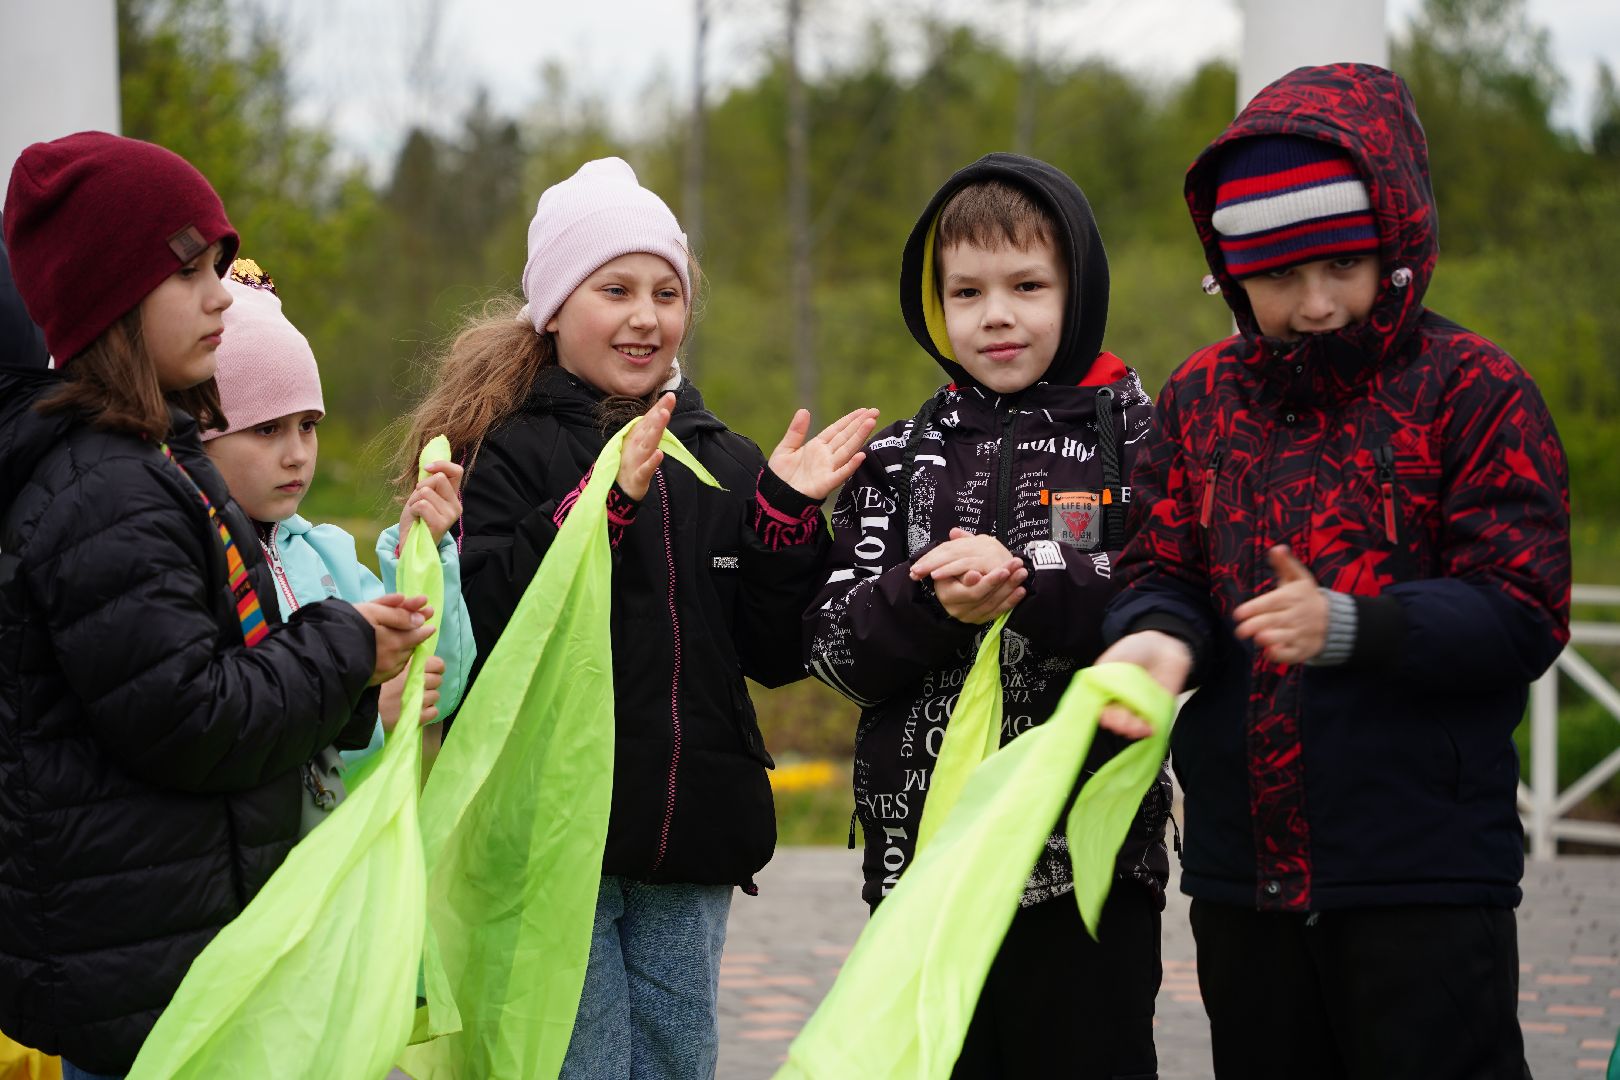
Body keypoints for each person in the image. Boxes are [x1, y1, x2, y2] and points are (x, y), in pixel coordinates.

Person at [1096, 63, 1571, 1079]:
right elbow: (1163, 564)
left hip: (1426, 881)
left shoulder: (1476, 392)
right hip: (1242, 878)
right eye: (1278, 278)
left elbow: (1522, 608)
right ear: (1231, 274)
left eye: (1341, 268)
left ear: (1394, 242)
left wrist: (1353, 625)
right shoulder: (1197, 398)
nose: (1314, 305)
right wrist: (1150, 640)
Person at [395, 156, 875, 1079]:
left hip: (689, 836)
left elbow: (772, 652)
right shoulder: (505, 450)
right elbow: (489, 623)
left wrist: (782, 518)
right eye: (614, 288)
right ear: (554, 309)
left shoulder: (723, 459)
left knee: (675, 1062)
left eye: (667, 290)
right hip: (548, 841)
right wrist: (600, 505)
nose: (646, 315)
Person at [0, 132, 434, 1080]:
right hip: (147, 975)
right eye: (190, 271)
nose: (221, 295)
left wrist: (354, 661)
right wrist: (344, 649)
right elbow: (193, 716)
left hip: (181, 946)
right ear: (112, 294)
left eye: (221, 268)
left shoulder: (158, 458)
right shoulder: (103, 492)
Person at [803, 153, 1168, 1078]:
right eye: (966, 292)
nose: (996, 314)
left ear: (1077, 289)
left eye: (1027, 285)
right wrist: (931, 604)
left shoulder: (1143, 437)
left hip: (1087, 862)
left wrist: (1030, 579)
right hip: (921, 858)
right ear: (936, 306)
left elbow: (1166, 601)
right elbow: (835, 647)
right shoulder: (896, 457)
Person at [201, 256, 475, 831]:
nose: (297, 453)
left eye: (308, 424)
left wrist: (420, 553)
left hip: (343, 875)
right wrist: (374, 714)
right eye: (266, 428)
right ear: (204, 436)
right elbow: (231, 727)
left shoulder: (327, 556)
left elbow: (440, 685)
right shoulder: (198, 562)